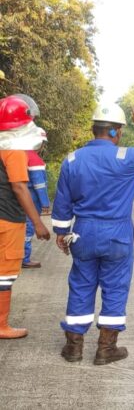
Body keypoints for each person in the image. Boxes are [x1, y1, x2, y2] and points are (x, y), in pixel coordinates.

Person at [52, 104, 134, 364]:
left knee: (81, 285)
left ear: (93, 129)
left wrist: (61, 232)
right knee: (115, 287)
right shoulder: (128, 157)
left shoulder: (72, 159)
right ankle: (106, 349)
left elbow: (62, 202)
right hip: (117, 233)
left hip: (83, 232)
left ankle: (73, 347)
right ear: (117, 132)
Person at [0, 96, 51, 339]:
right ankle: (1, 326)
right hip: (7, 218)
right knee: (5, 273)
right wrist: (38, 224)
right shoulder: (14, 150)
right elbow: (20, 187)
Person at [23, 129, 50, 268]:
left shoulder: (20, 154)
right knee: (28, 229)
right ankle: (24, 259)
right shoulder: (34, 159)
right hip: (31, 201)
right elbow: (39, 185)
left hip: (19, 201)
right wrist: (45, 203)